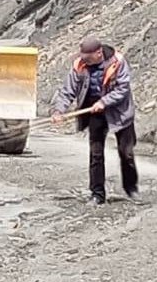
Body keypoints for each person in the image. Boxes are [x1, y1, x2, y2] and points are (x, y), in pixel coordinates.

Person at [52, 35, 140, 205]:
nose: (84, 60)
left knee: (126, 153)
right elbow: (67, 90)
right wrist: (58, 110)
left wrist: (104, 101)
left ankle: (131, 188)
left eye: (88, 57)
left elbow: (123, 89)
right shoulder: (79, 65)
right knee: (96, 154)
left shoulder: (118, 62)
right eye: (83, 57)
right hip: (94, 112)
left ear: (99, 53)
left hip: (120, 112)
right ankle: (97, 194)